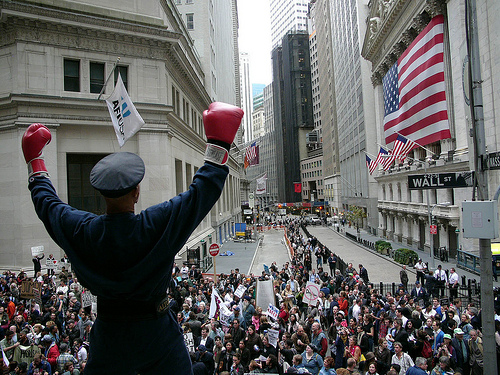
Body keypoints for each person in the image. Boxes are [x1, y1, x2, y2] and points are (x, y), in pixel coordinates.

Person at [22, 102, 243, 375]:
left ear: (102, 195)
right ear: (136, 192)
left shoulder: (83, 231)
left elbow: (47, 204)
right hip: (158, 339)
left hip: (108, 339)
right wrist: (219, 141)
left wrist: (35, 161)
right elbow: (201, 193)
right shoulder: (154, 226)